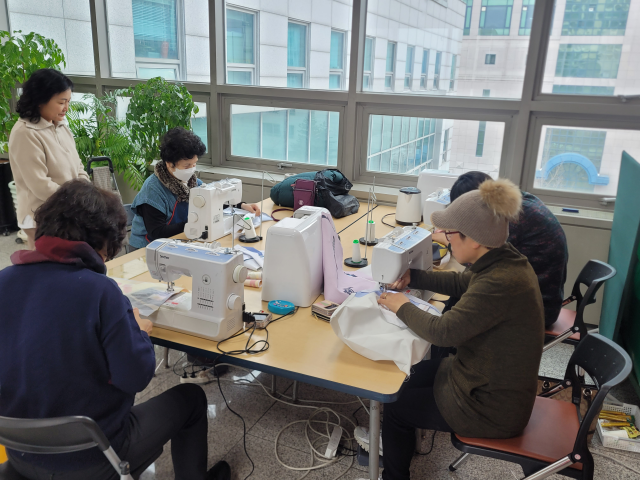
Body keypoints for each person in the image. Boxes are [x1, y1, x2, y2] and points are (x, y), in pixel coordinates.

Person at [0, 180, 230, 480]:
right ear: (103, 242)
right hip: (93, 455)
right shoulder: (100, 292)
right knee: (192, 399)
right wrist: (138, 332)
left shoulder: (5, 280)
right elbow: (135, 376)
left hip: (19, 451)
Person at [367, 178, 544, 480]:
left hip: (489, 407)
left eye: (450, 234)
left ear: (473, 239)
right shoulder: (505, 259)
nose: (447, 240)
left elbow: (443, 332)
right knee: (403, 381)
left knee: (396, 410)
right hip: (480, 378)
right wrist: (414, 278)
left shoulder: (500, 283)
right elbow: (463, 282)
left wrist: (401, 305)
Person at [433, 171, 568, 328]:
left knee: (453, 310)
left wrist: (447, 238)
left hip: (538, 309)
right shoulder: (516, 202)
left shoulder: (508, 220)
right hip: (542, 295)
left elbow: (476, 262)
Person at [129, 127, 260, 249]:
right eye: (187, 166)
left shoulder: (192, 182)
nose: (192, 169)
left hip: (177, 241)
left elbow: (212, 201)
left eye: (194, 164)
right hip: (146, 248)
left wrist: (242, 206)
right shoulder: (153, 191)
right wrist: (194, 223)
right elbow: (157, 232)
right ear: (169, 164)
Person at [8, 68, 90, 250]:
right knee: (50, 264)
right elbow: (40, 185)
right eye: (61, 102)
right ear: (40, 100)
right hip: (41, 218)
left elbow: (78, 166)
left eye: (68, 101)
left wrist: (85, 193)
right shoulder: (25, 133)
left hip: (68, 212)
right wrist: (76, 200)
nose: (66, 108)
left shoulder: (61, 126)